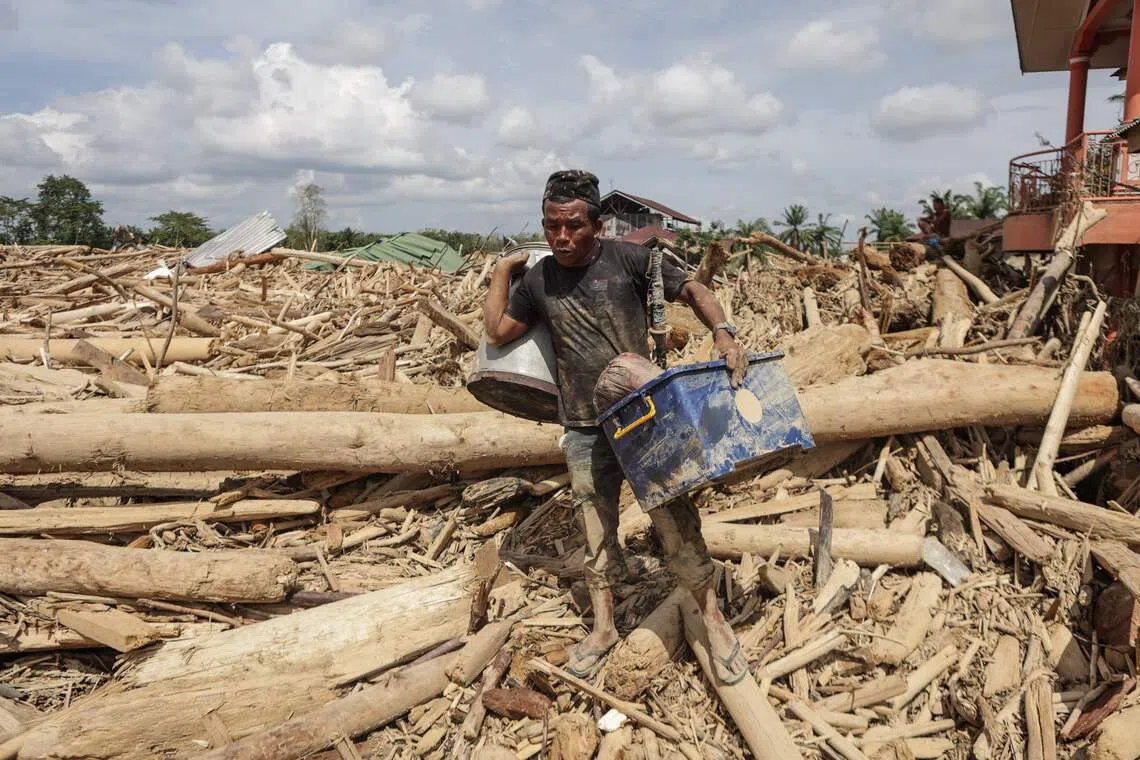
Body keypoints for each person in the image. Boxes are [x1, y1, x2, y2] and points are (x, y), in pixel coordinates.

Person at [484, 170, 750, 684]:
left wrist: (723, 332)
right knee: (594, 526)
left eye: (573, 226)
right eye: (552, 226)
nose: (561, 238)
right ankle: (603, 627)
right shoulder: (539, 279)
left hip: (642, 417)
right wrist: (503, 271)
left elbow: (693, 288)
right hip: (582, 425)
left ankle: (712, 619)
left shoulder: (630, 260)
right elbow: (497, 333)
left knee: (674, 515)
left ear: (597, 225)